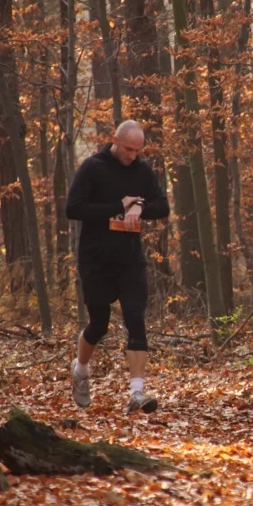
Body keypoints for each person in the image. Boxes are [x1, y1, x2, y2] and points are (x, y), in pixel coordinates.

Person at [65, 120, 170, 413]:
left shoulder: (142, 170)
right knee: (98, 324)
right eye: (128, 149)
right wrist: (118, 206)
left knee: (135, 318)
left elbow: (163, 206)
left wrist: (141, 208)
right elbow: (73, 208)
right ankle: (80, 369)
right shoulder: (93, 167)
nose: (132, 156)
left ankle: (137, 393)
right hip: (96, 259)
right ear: (115, 140)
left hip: (130, 260)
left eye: (137, 151)